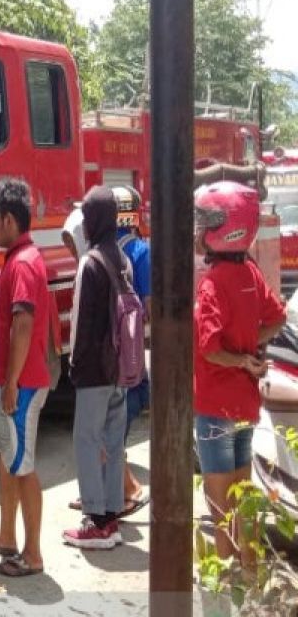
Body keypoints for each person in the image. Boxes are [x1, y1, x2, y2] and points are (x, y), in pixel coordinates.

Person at [192, 181, 285, 573]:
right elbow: (276, 320)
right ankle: (251, 577)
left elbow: (209, 347)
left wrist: (241, 360)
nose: (198, 231)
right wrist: (248, 350)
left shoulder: (212, 284)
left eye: (204, 221)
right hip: (244, 405)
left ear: (221, 227)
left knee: (220, 509)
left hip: (215, 407)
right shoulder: (249, 271)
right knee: (242, 499)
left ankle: (223, 595)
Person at [0, 178, 51, 578]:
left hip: (21, 384)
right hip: (14, 381)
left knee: (22, 466)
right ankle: (8, 537)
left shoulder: (23, 263)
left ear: (8, 220)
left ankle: (33, 554)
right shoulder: (18, 258)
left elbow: (23, 324)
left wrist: (11, 382)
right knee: (9, 461)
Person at [62, 186, 130, 551]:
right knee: (113, 442)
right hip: (121, 367)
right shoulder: (122, 258)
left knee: (85, 440)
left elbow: (83, 325)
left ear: (94, 219)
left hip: (94, 371)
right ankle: (111, 518)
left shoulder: (91, 263)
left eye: (86, 215)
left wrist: (75, 367)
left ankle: (95, 520)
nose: (83, 222)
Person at [113, 186, 151, 516]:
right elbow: (151, 306)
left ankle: (122, 483)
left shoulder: (99, 249)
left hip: (108, 351)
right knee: (135, 398)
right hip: (133, 348)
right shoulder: (141, 251)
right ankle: (124, 485)